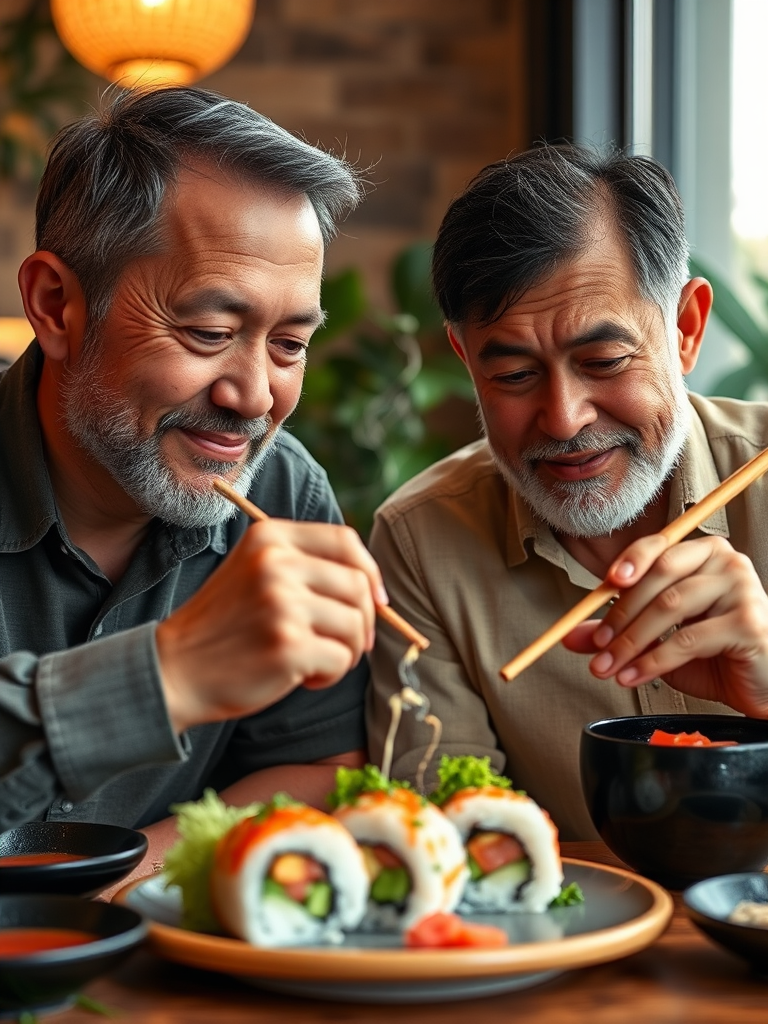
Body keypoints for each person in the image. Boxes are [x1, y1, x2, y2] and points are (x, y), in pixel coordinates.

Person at [0, 86, 388, 873]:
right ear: (57, 306)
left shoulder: (283, 498)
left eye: (289, 346)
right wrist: (172, 674)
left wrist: (120, 882)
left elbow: (321, 770)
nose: (252, 398)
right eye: (211, 332)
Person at [367, 143, 768, 841]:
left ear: (686, 329)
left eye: (604, 361)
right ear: (466, 362)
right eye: (515, 375)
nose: (563, 417)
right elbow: (447, 848)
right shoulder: (420, 542)